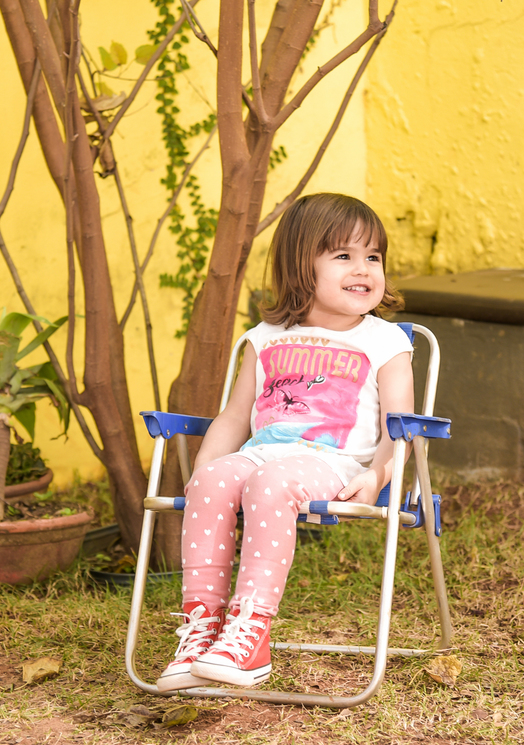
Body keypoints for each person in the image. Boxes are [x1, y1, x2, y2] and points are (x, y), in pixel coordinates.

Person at [157, 193, 414, 691]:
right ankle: (203, 629)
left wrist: (378, 475)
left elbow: (399, 428)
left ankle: (251, 634)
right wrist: (203, 468)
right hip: (262, 454)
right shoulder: (267, 336)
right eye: (344, 256)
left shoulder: (385, 342)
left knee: (272, 481)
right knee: (213, 479)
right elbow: (235, 417)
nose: (363, 269)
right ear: (301, 265)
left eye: (373, 257)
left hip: (335, 464)